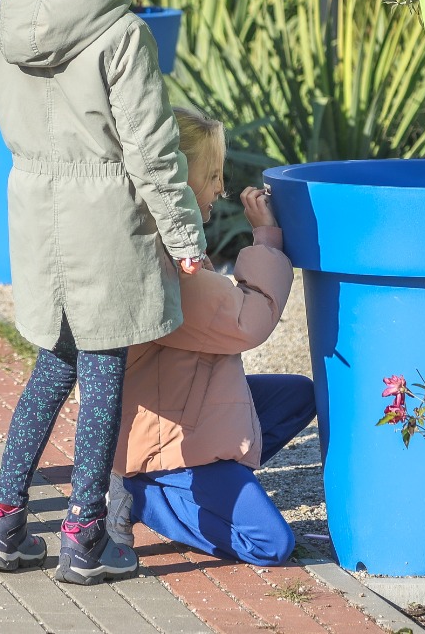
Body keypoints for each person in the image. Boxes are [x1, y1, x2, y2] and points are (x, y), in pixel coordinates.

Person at [0, 0, 207, 584]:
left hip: (35, 201)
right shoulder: (122, 33)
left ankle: (2, 521)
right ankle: (85, 536)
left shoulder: (11, 14)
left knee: (53, 362)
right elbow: (150, 146)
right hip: (104, 212)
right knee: (103, 369)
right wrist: (185, 235)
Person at [107, 108, 316, 566]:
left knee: (299, 396)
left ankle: (213, 480)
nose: (221, 188)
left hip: (181, 402)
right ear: (177, 179)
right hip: (164, 437)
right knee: (270, 545)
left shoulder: (151, 234)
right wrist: (265, 239)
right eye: (213, 175)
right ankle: (140, 491)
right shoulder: (167, 265)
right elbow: (246, 322)